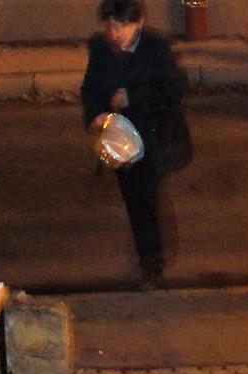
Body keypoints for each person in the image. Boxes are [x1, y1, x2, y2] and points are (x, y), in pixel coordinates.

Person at [80, 0, 189, 287]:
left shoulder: (155, 47)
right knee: (134, 200)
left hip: (152, 136)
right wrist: (96, 114)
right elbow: (91, 88)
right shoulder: (100, 48)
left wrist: (132, 98)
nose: (116, 33)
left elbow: (173, 89)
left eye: (122, 26)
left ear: (138, 23)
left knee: (146, 200)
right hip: (120, 141)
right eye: (111, 26)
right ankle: (149, 258)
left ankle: (152, 265)